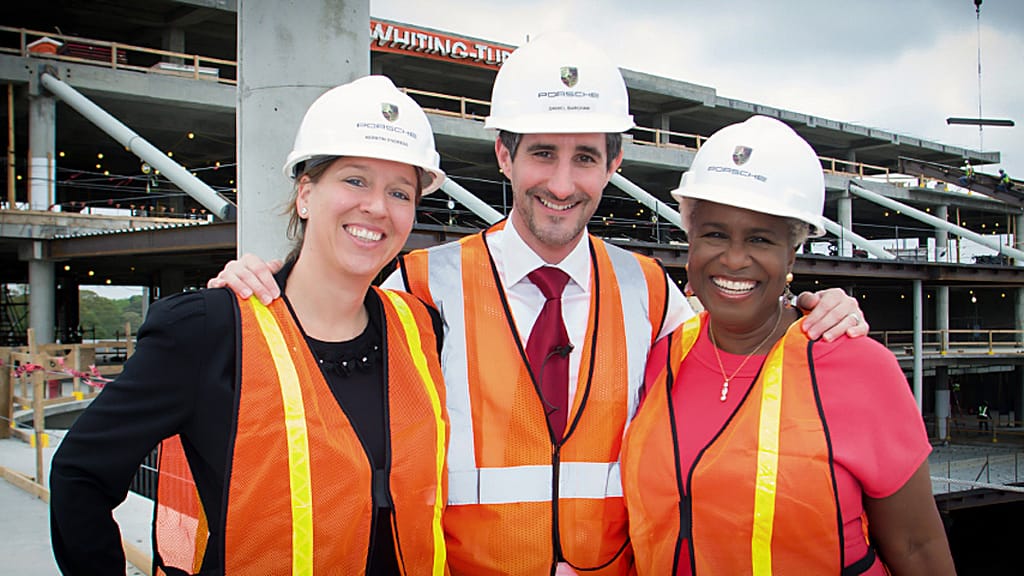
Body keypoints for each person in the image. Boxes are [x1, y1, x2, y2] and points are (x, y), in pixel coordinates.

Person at [210, 33, 868, 575]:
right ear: (504, 154)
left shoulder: (650, 291)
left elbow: (738, 374)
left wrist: (814, 309)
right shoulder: (416, 286)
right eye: (542, 154)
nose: (561, 183)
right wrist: (261, 282)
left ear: (613, 164)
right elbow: (316, 356)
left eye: (584, 157)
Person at [49, 76, 450, 575]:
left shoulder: (420, 330)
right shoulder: (210, 331)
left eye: (400, 192)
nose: (377, 206)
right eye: (354, 180)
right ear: (305, 194)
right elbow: (79, 477)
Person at [621, 116, 954, 575]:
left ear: (792, 252)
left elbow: (917, 546)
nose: (734, 259)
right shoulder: (661, 356)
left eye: (760, 239)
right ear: (690, 240)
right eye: (714, 234)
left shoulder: (856, 366)